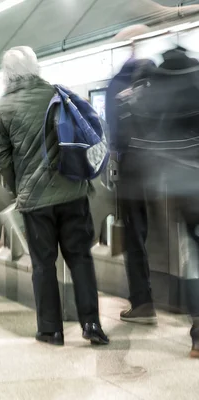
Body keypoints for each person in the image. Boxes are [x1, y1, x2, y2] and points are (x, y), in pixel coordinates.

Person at [0, 46, 109, 346]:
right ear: (36, 67)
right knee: (80, 258)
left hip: (35, 201)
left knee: (44, 265)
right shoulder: (57, 94)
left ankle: (51, 330)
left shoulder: (3, 108)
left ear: (7, 75)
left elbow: (1, 157)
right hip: (72, 193)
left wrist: (19, 188)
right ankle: (92, 323)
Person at [116, 45, 199, 357]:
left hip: (180, 186)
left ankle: (198, 333)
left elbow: (145, 138)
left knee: (193, 258)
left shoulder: (154, 91)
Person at [105, 25, 157, 325]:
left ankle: (143, 302)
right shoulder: (162, 78)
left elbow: (112, 129)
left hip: (133, 168)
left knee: (135, 236)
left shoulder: (117, 83)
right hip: (168, 165)